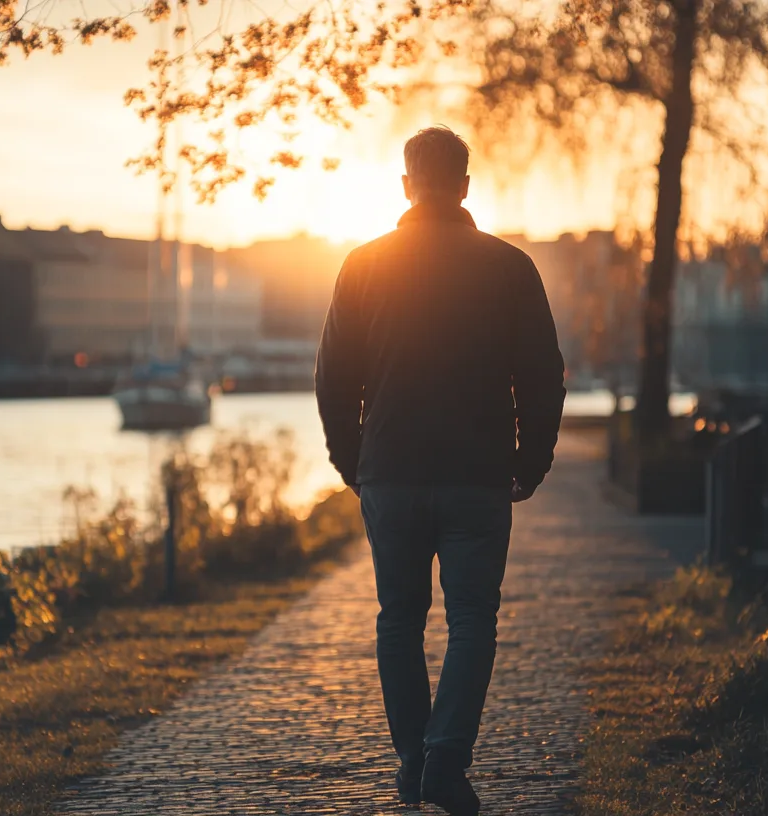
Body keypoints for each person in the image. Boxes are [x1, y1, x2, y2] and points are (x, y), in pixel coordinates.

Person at [315, 126, 566, 816]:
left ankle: (413, 761)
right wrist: (531, 462)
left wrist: (350, 460)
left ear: (404, 185)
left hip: (390, 470)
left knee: (398, 619)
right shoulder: (509, 268)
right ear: (463, 184)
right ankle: (444, 762)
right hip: (477, 475)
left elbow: (334, 376)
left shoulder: (362, 265)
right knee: (472, 620)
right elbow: (543, 376)